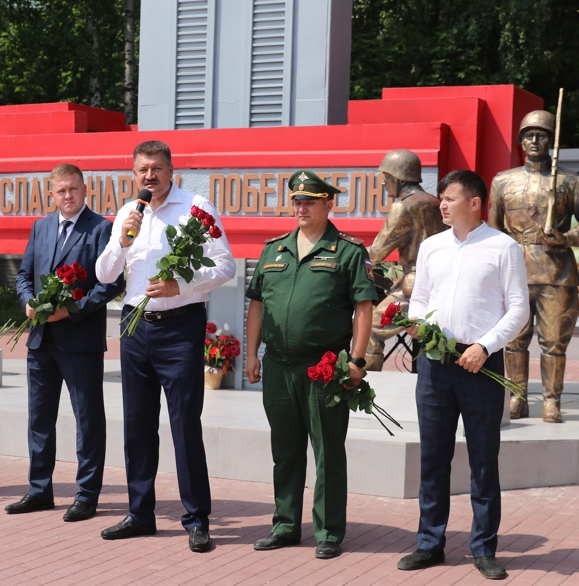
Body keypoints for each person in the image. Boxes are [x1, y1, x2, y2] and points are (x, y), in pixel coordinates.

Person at [95, 140, 235, 553]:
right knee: (137, 425)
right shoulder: (127, 212)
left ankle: (197, 518)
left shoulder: (196, 207)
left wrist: (183, 284)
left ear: (171, 171)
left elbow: (224, 263)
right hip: (135, 328)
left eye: (157, 168)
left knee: (184, 424)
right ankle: (140, 514)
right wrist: (121, 241)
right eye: (142, 169)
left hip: (179, 328)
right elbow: (104, 275)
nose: (149, 175)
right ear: (133, 173)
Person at [398, 170, 529, 580]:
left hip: (481, 363)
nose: (442, 204)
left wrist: (485, 346)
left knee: (483, 461)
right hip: (435, 363)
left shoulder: (504, 247)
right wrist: (418, 323)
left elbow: (519, 309)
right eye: (441, 198)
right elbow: (419, 298)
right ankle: (429, 543)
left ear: (475, 203)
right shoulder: (433, 247)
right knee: (433, 458)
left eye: (450, 198)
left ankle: (484, 548)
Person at [244, 170, 376, 560]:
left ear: (328, 204)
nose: (302, 208)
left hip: (324, 369)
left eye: (310, 201)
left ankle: (329, 530)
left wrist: (356, 360)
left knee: (327, 451)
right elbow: (256, 305)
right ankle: (285, 525)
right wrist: (252, 355)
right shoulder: (275, 249)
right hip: (278, 367)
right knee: (284, 450)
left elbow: (363, 307)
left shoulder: (349, 251)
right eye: (297, 202)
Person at [7, 164, 124, 521]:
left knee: (88, 420)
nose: (68, 196)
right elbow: (24, 274)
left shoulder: (102, 228)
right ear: (52, 194)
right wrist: (27, 300)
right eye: (61, 191)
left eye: (73, 189)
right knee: (39, 419)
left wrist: (71, 311)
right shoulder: (41, 227)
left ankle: (87, 494)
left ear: (85, 190)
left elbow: (112, 283)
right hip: (41, 340)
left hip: (80, 340)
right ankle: (40, 490)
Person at [488, 110, 579, 422]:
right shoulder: (502, 181)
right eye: (529, 134)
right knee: (514, 339)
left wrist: (565, 237)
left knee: (554, 341)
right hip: (515, 271)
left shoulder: (569, 181)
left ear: (552, 140)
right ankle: (517, 396)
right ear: (520, 140)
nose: (535, 140)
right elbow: (492, 231)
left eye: (542, 134)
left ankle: (552, 400)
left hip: (557, 273)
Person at [365, 150, 447, 371]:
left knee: (370, 328)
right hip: (442, 282)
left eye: (387, 178)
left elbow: (377, 253)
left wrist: (347, 253)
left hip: (416, 285)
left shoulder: (403, 206)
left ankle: (369, 384)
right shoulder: (434, 203)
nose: (384, 184)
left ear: (398, 178)